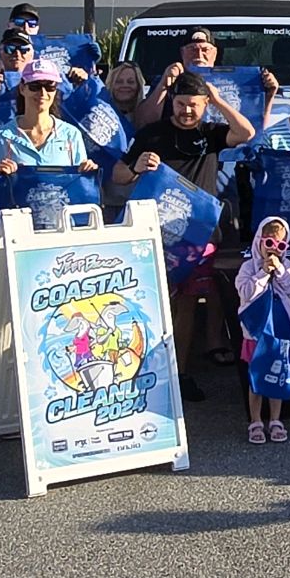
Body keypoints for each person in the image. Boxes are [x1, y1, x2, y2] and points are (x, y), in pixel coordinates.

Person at [114, 73, 259, 400]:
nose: (186, 112)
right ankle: (138, 373)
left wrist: (217, 99)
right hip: (153, 235)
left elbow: (246, 133)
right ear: (172, 104)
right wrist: (136, 166)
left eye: (193, 105)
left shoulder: (210, 134)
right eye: (180, 105)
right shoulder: (151, 134)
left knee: (188, 306)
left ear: (204, 106)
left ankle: (178, 374)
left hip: (198, 236)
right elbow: (118, 175)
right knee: (149, 304)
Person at [236, 215, 290, 443]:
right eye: (269, 243)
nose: (274, 250)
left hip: (279, 332)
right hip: (256, 332)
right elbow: (245, 293)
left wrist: (279, 270)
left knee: (277, 375)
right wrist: (262, 273)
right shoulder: (248, 267)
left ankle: (275, 419)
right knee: (257, 378)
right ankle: (255, 421)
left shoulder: (289, 267)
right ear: (259, 242)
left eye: (281, 246)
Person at [0, 58, 96, 177]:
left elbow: (80, 187)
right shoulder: (1, 136)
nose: (42, 93)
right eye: (35, 86)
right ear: (22, 88)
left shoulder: (71, 135)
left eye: (50, 86)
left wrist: (88, 172)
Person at [104, 61, 148, 135]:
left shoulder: (147, 116)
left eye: (130, 82)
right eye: (119, 82)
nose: (125, 85)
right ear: (111, 84)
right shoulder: (102, 115)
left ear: (138, 85)